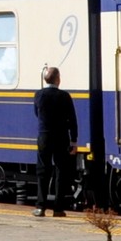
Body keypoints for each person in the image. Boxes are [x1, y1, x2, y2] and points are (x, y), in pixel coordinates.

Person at [33, 65, 76, 218]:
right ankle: (58, 208)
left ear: (46, 79)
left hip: (44, 136)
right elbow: (72, 119)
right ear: (58, 79)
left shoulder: (39, 95)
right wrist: (74, 141)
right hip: (61, 137)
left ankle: (40, 207)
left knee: (43, 170)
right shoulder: (64, 96)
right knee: (60, 172)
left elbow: (37, 113)